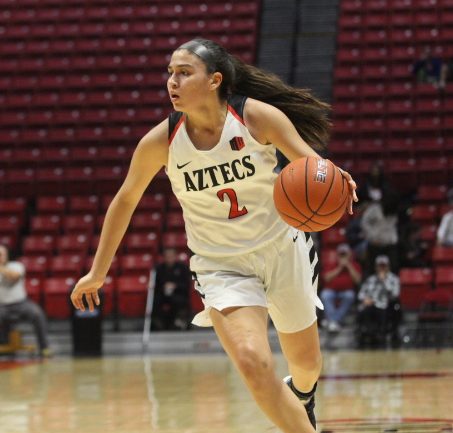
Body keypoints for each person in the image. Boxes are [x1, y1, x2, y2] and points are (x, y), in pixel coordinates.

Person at [70, 38, 358, 433]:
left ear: (214, 80)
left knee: (306, 364)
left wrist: (336, 179)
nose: (172, 81)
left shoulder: (257, 117)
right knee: (252, 363)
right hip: (221, 266)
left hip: (281, 248)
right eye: (170, 73)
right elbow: (124, 201)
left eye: (184, 73)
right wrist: (97, 271)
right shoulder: (161, 142)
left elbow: (310, 164)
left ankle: (303, 395)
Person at [0, 245, 51, 357]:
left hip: (21, 303)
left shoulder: (16, 265)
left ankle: (44, 348)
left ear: (7, 255)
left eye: (1, 254)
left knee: (37, 313)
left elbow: (14, 276)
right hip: (2, 306)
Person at [356, 255, 400, 347]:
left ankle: (382, 335)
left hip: (387, 305)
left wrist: (384, 281)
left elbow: (395, 294)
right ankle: (366, 334)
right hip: (371, 305)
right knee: (363, 311)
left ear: (388, 266)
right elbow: (361, 294)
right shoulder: (370, 279)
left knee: (386, 311)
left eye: (384, 266)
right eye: (380, 266)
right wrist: (365, 299)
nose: (382, 268)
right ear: (376, 267)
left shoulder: (393, 279)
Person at [320, 243, 362, 332]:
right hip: (331, 291)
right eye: (341, 254)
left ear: (349, 255)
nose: (343, 257)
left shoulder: (354, 265)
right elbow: (326, 278)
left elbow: (357, 280)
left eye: (345, 254)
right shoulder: (331, 264)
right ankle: (334, 321)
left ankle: (332, 320)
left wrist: (348, 266)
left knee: (350, 296)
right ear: (337, 255)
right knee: (325, 295)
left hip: (346, 291)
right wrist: (340, 268)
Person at [152, 248, 191, 331]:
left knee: (179, 301)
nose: (169, 258)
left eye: (171, 256)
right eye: (167, 256)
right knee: (155, 301)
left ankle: (177, 323)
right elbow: (156, 284)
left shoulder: (182, 268)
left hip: (178, 293)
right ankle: (157, 324)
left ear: (175, 257)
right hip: (162, 294)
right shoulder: (159, 268)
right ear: (164, 257)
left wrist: (175, 286)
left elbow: (186, 284)